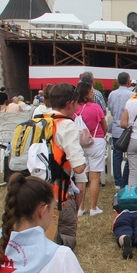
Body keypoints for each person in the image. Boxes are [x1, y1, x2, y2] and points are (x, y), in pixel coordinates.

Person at [45, 83, 88, 243]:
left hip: (35, 188)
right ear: (70, 104)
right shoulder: (67, 125)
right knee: (67, 237)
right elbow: (78, 167)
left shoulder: (40, 119)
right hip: (58, 193)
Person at [74, 82, 107, 217]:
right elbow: (104, 125)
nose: (93, 94)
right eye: (91, 92)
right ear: (86, 93)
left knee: (82, 177)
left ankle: (80, 207)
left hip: (79, 144)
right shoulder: (95, 108)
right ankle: (93, 207)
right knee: (94, 177)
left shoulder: (75, 108)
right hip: (96, 141)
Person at [107, 72, 133, 188]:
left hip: (117, 126)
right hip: (128, 127)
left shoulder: (112, 94)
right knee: (130, 154)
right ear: (128, 82)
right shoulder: (131, 94)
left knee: (117, 155)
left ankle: (118, 181)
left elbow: (111, 110)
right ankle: (125, 180)